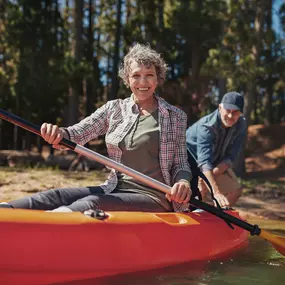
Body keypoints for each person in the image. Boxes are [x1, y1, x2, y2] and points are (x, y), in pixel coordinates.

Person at [0, 43, 192, 213]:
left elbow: (181, 164)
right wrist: (59, 133)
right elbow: (77, 134)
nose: (143, 82)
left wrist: (183, 182)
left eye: (149, 75)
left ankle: (51, 228)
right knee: (55, 196)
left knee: (92, 203)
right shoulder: (114, 109)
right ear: (127, 79)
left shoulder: (175, 116)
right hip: (114, 188)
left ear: (158, 78)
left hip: (154, 196)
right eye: (136, 75)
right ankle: (7, 211)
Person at [186, 92, 247, 208]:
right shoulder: (206, 127)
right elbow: (204, 163)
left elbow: (230, 157)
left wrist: (207, 178)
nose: (230, 116)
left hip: (212, 166)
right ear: (220, 108)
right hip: (188, 163)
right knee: (197, 196)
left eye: (235, 112)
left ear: (241, 113)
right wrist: (216, 192)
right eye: (227, 110)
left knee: (235, 191)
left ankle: (218, 218)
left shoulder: (241, 125)